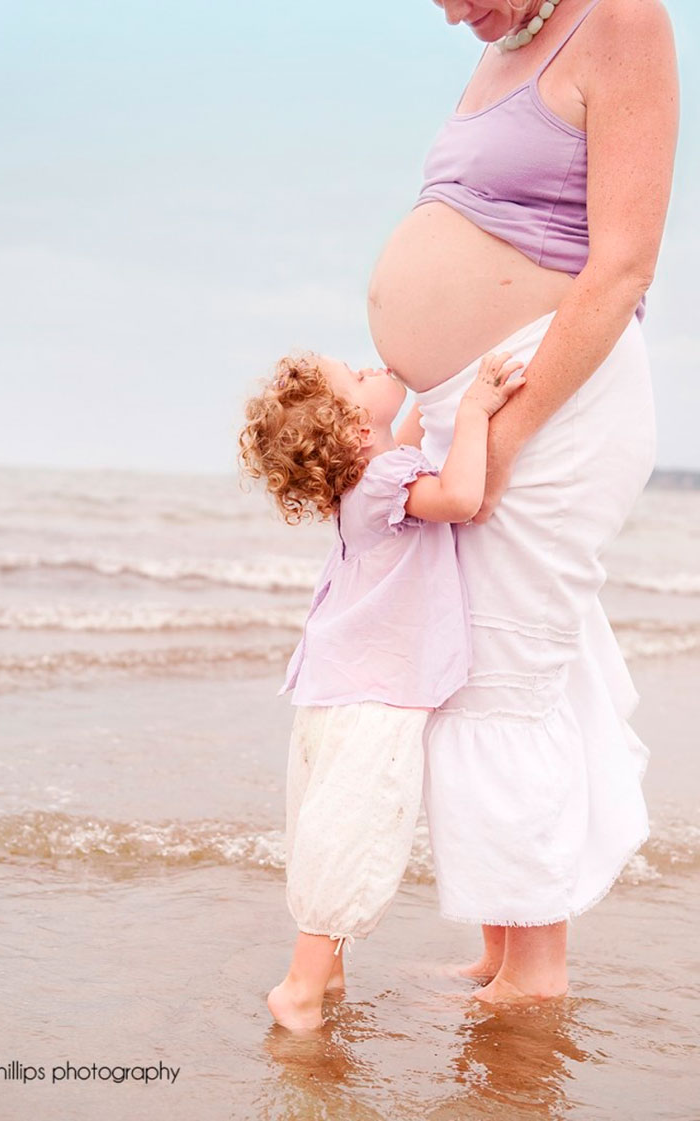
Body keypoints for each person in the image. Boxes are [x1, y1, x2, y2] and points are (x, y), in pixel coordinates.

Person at [366, 0, 679, 1002]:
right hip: (479, 404)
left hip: (552, 399)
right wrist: (422, 404)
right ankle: (505, 942)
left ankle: (534, 972)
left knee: (504, 674)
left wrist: (500, 430)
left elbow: (622, 260)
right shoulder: (499, 50)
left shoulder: (621, 21)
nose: (450, 12)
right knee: (483, 664)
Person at [238, 349, 525, 1031]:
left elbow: (406, 439)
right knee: (355, 829)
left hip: (336, 685)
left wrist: (424, 402)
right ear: (354, 430)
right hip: (380, 690)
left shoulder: (361, 479)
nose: (372, 366)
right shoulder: (387, 472)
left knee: (324, 817)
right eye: (358, 377)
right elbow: (461, 499)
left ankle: (329, 972)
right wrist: (478, 408)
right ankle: (301, 987)